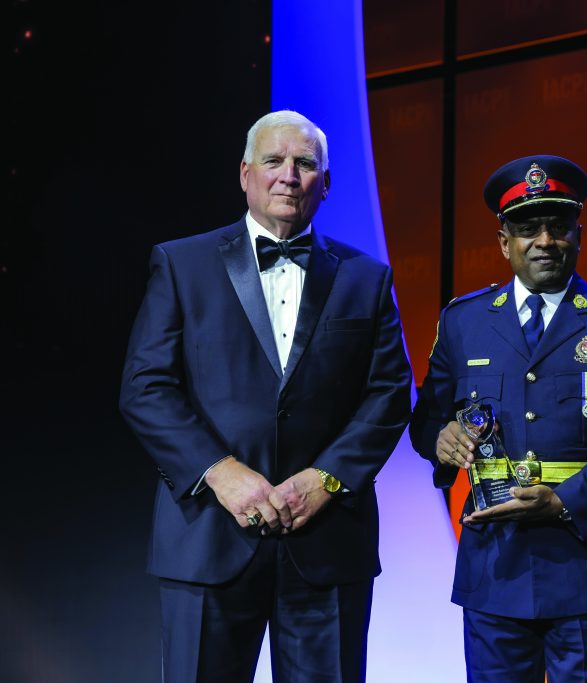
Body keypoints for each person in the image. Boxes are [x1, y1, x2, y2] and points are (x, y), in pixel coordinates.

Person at [120, 110, 412, 683]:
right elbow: (145, 387)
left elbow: (389, 393)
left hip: (327, 542)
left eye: (306, 164)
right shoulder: (182, 263)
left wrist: (325, 478)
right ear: (245, 174)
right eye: (274, 161)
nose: (289, 175)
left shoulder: (366, 278)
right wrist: (220, 472)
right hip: (207, 534)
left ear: (325, 183)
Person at [411, 155, 587, 682]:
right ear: (504, 241)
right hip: (493, 566)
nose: (545, 241)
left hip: (585, 562)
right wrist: (441, 440)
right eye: (528, 229)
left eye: (558, 227)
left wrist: (566, 499)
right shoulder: (463, 322)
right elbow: (426, 423)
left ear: (580, 234)